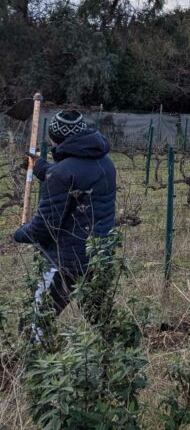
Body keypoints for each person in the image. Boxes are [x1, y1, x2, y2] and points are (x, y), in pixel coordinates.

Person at [13, 110, 117, 320]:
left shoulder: (61, 173)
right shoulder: (106, 163)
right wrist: (44, 169)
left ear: (56, 139)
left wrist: (19, 233)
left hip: (66, 261)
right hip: (98, 255)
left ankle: (32, 352)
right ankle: (110, 352)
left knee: (36, 322)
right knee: (100, 321)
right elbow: (77, 179)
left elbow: (44, 227)